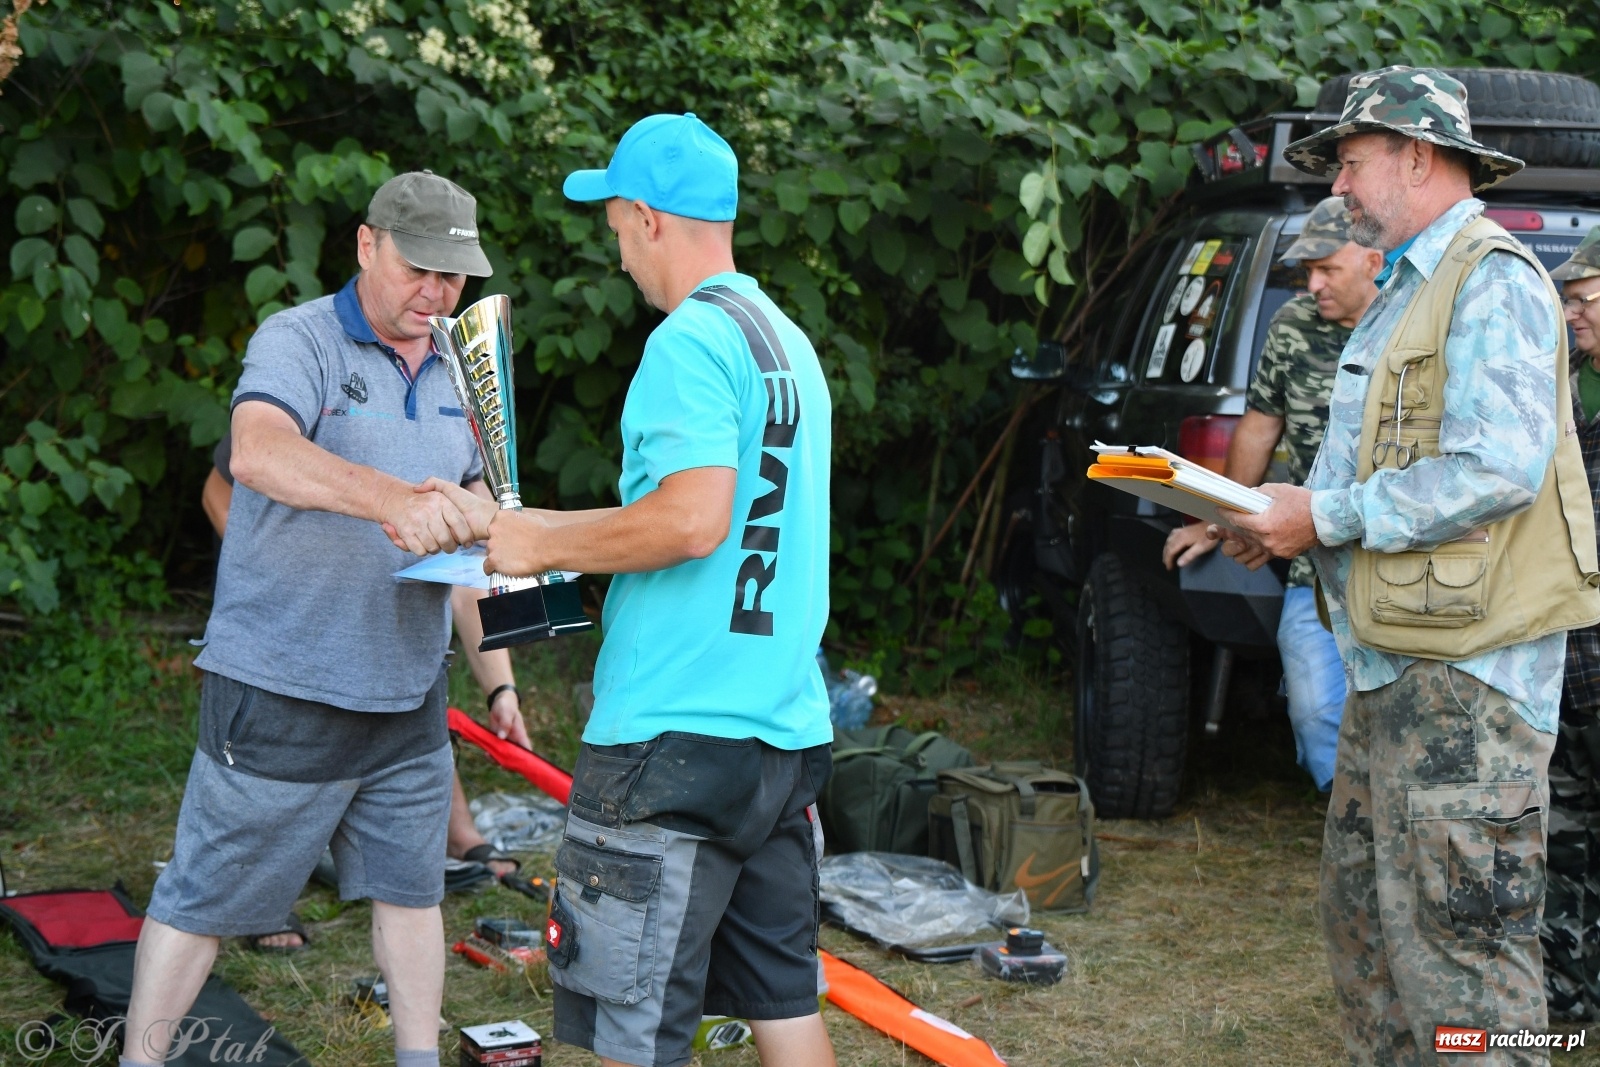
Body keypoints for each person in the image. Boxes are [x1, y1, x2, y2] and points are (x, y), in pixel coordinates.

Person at [422, 113, 836, 1067]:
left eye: (615, 228)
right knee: (785, 1007)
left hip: (670, 748)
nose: (618, 257)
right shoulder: (789, 346)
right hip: (779, 734)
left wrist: (532, 535)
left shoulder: (687, 343)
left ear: (649, 217)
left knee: (631, 1034)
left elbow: (694, 520)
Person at [1217, 67, 1600, 1062]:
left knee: (1465, 966)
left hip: (1469, 686)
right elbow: (1378, 464)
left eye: (1349, 161)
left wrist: (1326, 512)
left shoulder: (1492, 280)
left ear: (1415, 156)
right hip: (1396, 667)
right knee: (1371, 941)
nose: (1335, 186)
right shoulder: (1406, 287)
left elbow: (1497, 465)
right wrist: (1280, 519)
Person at [123, 171, 498, 1067]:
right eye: (418, 269)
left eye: (454, 277)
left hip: (408, 693)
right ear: (367, 245)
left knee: (413, 893)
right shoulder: (299, 339)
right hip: (284, 683)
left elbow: (484, 497)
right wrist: (391, 501)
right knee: (202, 899)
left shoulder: (462, 362)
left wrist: (514, 623)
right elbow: (256, 452)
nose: (435, 293)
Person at [201, 435, 529, 951]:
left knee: (413, 725)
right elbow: (218, 489)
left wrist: (501, 688)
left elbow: (474, 581)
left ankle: (457, 837)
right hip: (289, 626)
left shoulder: (458, 420)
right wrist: (270, 573)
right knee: (280, 771)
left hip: (393, 631)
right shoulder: (308, 384)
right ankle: (263, 898)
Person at [1163, 196, 1380, 793]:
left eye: (1326, 269)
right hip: (1315, 560)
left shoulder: (1415, 323)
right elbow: (1259, 427)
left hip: (1398, 555)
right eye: (1305, 271)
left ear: (1372, 258)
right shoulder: (1293, 327)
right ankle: (1349, 817)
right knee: (1313, 711)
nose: (1312, 285)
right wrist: (1217, 521)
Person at [1542, 227, 1600, 1021]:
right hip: (1568, 656)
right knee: (1564, 830)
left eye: (1583, 299)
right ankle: (1568, 993)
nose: (1570, 313)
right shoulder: (1565, 382)